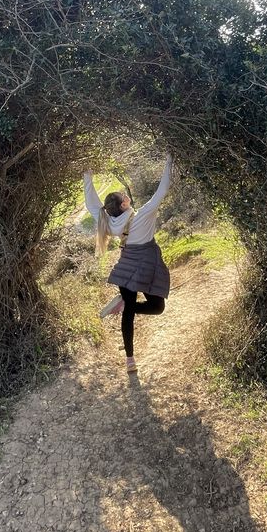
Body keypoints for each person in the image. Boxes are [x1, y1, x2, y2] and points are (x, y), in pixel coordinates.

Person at [83, 154, 172, 374]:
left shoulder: (108, 222)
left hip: (126, 267)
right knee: (157, 307)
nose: (126, 196)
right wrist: (170, 161)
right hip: (147, 265)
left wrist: (87, 176)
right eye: (124, 196)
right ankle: (126, 306)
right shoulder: (141, 216)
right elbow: (161, 191)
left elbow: (92, 205)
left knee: (129, 313)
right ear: (124, 203)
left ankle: (130, 360)